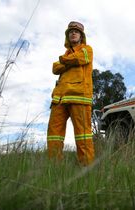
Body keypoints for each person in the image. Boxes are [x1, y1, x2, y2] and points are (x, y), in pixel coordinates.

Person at [47, 21, 94, 165]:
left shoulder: (87, 49)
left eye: (76, 32)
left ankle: (86, 167)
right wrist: (65, 61)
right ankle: (54, 167)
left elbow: (81, 58)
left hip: (79, 97)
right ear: (67, 36)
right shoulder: (66, 55)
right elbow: (55, 68)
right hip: (59, 98)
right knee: (54, 134)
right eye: (70, 32)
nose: (73, 33)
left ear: (81, 36)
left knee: (83, 134)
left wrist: (63, 62)